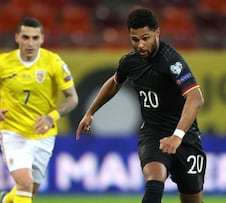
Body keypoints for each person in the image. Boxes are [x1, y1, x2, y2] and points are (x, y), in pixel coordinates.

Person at [76, 8, 206, 203]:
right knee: (154, 182)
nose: (140, 45)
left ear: (157, 33)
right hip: (152, 134)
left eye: (145, 38)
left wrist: (177, 136)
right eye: (135, 40)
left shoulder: (172, 62)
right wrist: (90, 112)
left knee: (191, 200)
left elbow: (196, 98)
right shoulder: (130, 62)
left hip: (185, 138)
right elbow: (114, 82)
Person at [0, 17, 78, 203]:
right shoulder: (2, 62)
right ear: (17, 37)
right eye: (25, 37)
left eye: (34, 38)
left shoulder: (53, 62)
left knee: (29, 191)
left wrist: (51, 117)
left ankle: (6, 200)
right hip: (13, 131)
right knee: (25, 183)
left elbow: (73, 99)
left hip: (43, 135)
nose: (30, 43)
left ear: (42, 39)